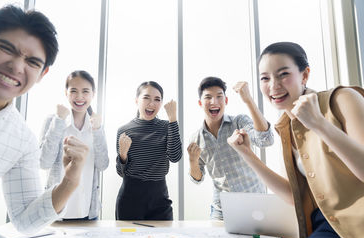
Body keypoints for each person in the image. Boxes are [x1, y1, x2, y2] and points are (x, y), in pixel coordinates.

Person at [0, 5, 89, 238]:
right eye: (6, 49)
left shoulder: (21, 140)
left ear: (42, 74)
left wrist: (70, 180)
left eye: (32, 62)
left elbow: (25, 219)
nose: (16, 66)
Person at [227, 42, 364, 238]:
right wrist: (247, 154)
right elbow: (295, 196)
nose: (274, 86)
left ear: (305, 75)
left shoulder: (342, 99)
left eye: (283, 75)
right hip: (330, 228)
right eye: (265, 78)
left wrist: (319, 124)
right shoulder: (285, 128)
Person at [187, 77, 274, 220]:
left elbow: (266, 140)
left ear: (225, 101)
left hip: (255, 203)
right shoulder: (196, 138)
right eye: (208, 97)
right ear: (200, 103)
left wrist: (248, 100)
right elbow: (197, 179)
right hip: (221, 210)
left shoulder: (239, 122)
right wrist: (192, 161)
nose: (214, 102)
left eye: (219, 97)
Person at [40, 70, 109, 220]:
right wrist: (58, 121)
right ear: (66, 93)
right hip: (56, 212)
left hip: (87, 212)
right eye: (73, 91)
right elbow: (44, 163)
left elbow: (103, 165)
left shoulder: (96, 125)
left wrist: (97, 130)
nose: (79, 97)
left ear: (93, 94)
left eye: (85, 91)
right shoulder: (53, 121)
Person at [115, 81, 182, 220]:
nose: (152, 104)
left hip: (160, 198)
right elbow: (121, 173)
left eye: (157, 99)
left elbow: (175, 157)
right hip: (129, 198)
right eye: (146, 98)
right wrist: (122, 155)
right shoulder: (124, 130)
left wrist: (173, 119)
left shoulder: (167, 126)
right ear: (136, 100)